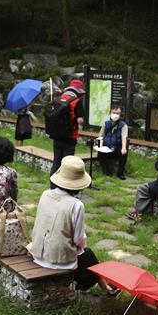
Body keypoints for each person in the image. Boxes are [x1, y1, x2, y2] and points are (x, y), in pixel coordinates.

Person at [29, 156, 120, 296]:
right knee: (88, 256)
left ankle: (107, 288)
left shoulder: (45, 194)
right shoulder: (76, 205)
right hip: (59, 261)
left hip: (38, 253)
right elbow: (79, 240)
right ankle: (97, 288)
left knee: (87, 257)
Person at [49, 79, 86, 182]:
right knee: (68, 164)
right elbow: (80, 120)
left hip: (56, 136)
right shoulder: (76, 101)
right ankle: (65, 186)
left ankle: (53, 185)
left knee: (56, 162)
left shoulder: (58, 99)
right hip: (70, 137)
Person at [97, 106, 129, 180]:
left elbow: (124, 137)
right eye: (113, 113)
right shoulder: (106, 123)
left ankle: (120, 173)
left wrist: (124, 148)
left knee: (124, 153)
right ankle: (107, 172)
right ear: (110, 113)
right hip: (107, 146)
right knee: (100, 153)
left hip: (117, 147)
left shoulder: (123, 125)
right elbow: (101, 136)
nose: (115, 115)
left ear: (120, 114)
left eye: (117, 113)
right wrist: (100, 146)